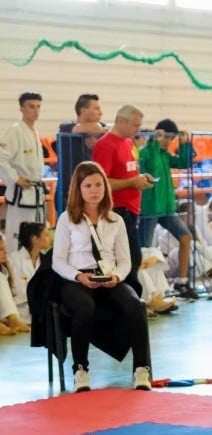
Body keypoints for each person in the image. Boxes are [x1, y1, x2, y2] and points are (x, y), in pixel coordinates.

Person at [51, 161, 152, 392]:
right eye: (88, 185)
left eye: (98, 184)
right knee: (84, 307)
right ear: (78, 189)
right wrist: (78, 276)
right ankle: (80, 369)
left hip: (109, 278)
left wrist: (116, 277)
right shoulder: (67, 219)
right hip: (77, 280)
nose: (94, 190)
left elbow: (125, 261)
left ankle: (141, 369)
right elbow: (58, 261)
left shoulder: (116, 220)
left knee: (136, 305)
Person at [92, 104, 155, 295]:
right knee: (128, 259)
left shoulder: (128, 144)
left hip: (131, 210)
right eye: (135, 125)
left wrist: (140, 178)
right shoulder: (105, 145)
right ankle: (130, 301)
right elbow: (101, 182)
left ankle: (134, 300)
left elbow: (127, 173)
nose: (137, 130)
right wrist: (131, 183)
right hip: (117, 210)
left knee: (133, 259)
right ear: (121, 121)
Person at [138, 118, 198, 299]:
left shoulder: (165, 155)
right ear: (158, 135)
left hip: (166, 208)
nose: (168, 143)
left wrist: (185, 145)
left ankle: (182, 281)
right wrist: (156, 144)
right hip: (149, 209)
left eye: (171, 140)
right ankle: (147, 292)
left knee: (186, 237)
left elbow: (184, 163)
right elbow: (151, 167)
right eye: (167, 139)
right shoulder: (146, 152)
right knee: (145, 251)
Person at [0, 92, 46, 248]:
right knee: (17, 239)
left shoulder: (34, 132)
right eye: (31, 107)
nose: (36, 111)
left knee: (34, 240)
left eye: (38, 107)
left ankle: (32, 270)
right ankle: (16, 271)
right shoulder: (16, 130)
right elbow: (1, 157)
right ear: (21, 108)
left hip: (35, 194)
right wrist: (15, 178)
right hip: (21, 195)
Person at [56, 93, 106, 214]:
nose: (101, 113)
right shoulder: (67, 128)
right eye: (96, 108)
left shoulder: (101, 130)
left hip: (92, 190)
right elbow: (90, 128)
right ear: (83, 110)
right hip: (69, 191)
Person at [10, 221, 50, 325]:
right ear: (35, 239)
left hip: (41, 313)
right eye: (46, 235)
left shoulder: (45, 261)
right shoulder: (14, 260)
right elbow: (16, 291)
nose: (49, 238)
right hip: (20, 313)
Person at [0, 233, 31, 335]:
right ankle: (13, 320)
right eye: (1, 250)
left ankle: (13, 319)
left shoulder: (4, 271)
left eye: (4, 248)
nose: (5, 252)